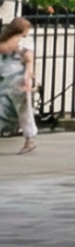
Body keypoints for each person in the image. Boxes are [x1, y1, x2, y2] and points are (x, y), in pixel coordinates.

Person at [0, 17, 34, 154]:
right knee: (20, 111)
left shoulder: (10, 40)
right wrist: (28, 77)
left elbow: (29, 61)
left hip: (12, 79)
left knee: (22, 111)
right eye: (27, 29)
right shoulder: (21, 42)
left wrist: (28, 78)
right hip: (13, 79)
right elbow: (29, 61)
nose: (28, 32)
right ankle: (29, 139)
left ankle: (30, 139)